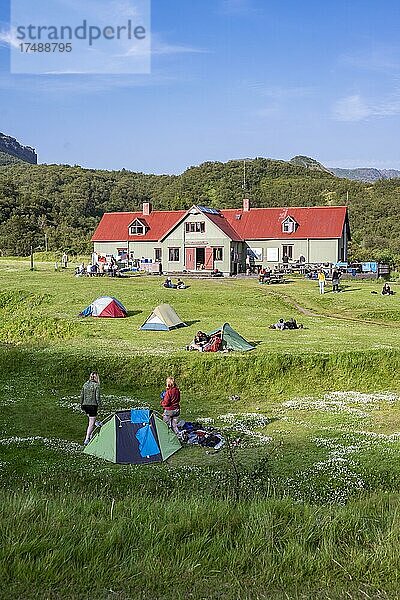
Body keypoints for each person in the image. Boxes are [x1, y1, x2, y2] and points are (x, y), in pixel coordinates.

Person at [80, 372, 101, 445]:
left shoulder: (85, 384)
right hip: (92, 406)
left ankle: (96, 422)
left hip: (85, 405)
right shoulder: (96, 385)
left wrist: (81, 404)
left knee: (91, 418)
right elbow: (97, 397)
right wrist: (99, 405)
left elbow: (82, 395)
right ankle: (87, 438)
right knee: (91, 423)